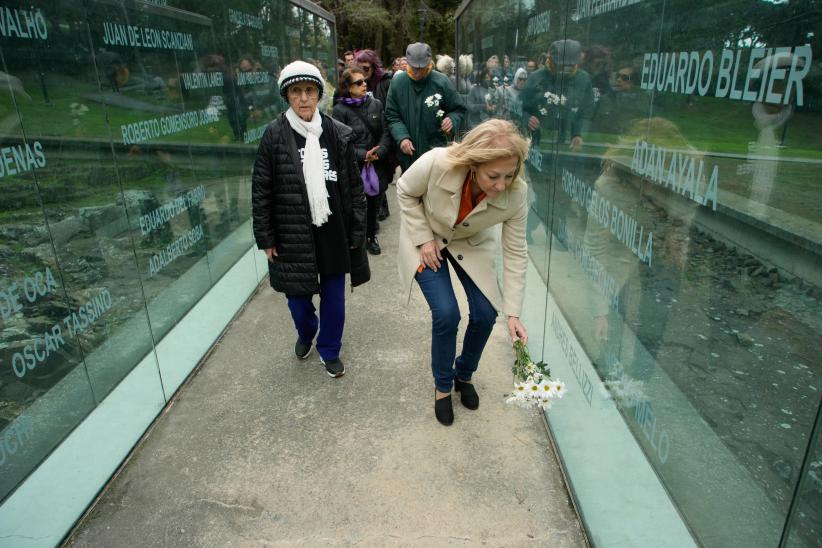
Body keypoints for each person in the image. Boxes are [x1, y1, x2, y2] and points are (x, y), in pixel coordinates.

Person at [396, 118, 530, 425]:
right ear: (473, 164)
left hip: (470, 243)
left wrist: (513, 313)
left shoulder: (517, 194)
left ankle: (464, 374)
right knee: (446, 313)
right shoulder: (436, 162)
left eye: (509, 176)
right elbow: (404, 190)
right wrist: (423, 239)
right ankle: (443, 386)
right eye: (493, 176)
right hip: (427, 236)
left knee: (486, 313)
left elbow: (515, 252)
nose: (501, 186)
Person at [252, 60, 369, 378]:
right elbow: (261, 189)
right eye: (295, 91)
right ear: (287, 96)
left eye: (309, 90)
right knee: (298, 300)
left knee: (334, 297)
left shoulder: (337, 134)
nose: (303, 98)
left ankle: (329, 348)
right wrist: (267, 237)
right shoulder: (274, 136)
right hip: (293, 232)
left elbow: (354, 189)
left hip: (332, 229)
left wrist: (358, 228)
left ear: (319, 94)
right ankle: (307, 333)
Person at [333, 67, 393, 255]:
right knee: (356, 203)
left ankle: (371, 236)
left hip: (376, 164)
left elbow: (386, 131)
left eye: (364, 81)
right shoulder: (339, 111)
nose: (364, 84)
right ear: (348, 87)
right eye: (358, 82)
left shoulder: (376, 104)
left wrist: (380, 152)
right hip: (354, 166)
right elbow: (340, 142)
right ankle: (355, 237)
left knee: (374, 201)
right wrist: (362, 155)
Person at [385, 42, 466, 171]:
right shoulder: (398, 82)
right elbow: (392, 115)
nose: (417, 72)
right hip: (409, 155)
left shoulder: (442, 81)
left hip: (436, 152)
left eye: (421, 68)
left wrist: (452, 119)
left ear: (429, 63)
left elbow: (458, 109)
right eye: (414, 68)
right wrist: (402, 137)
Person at [520, 39, 594, 151]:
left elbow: (586, 112)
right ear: (550, 60)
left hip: (570, 145)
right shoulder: (536, 78)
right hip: (538, 141)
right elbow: (520, 107)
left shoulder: (583, 79)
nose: (564, 70)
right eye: (560, 65)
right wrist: (527, 119)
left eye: (569, 66)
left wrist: (578, 134)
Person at [356, 49, 396, 222]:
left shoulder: (385, 83)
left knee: (383, 173)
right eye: (360, 68)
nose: (363, 74)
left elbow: (391, 109)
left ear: (373, 67)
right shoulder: (355, 82)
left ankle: (381, 205)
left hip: (382, 134)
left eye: (366, 69)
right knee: (370, 175)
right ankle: (378, 207)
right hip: (363, 138)